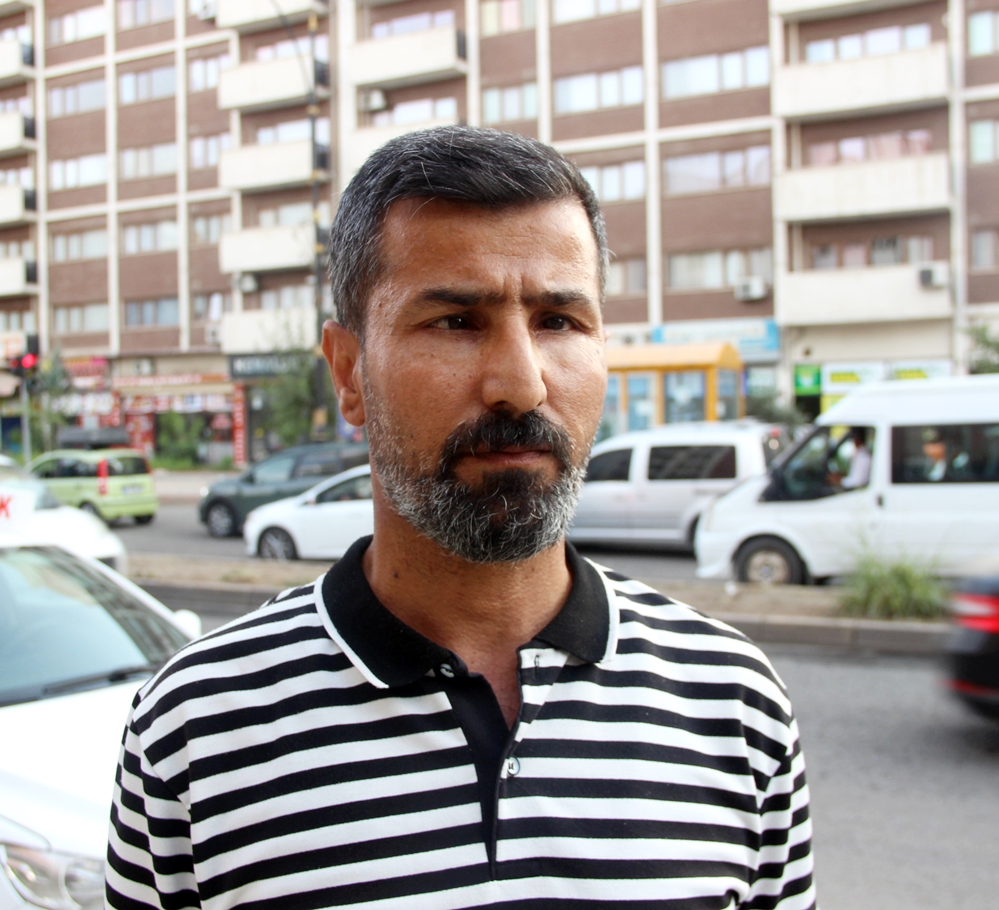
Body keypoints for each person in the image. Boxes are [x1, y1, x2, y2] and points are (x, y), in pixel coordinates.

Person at [106, 127, 814, 910]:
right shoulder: (195, 729)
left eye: (558, 321)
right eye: (455, 321)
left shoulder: (731, 701)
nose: (521, 384)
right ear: (348, 373)